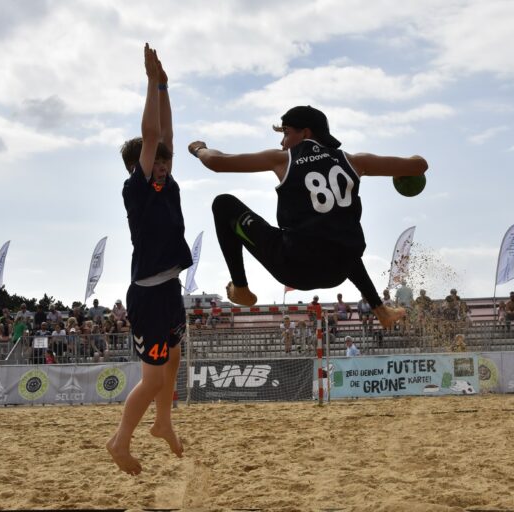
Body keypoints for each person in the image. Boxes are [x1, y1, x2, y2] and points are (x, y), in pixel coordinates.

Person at [188, 105, 418, 331]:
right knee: (337, 235)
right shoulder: (355, 161)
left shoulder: (283, 159)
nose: (282, 142)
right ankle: (380, 310)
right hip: (338, 271)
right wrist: (401, 170)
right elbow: (419, 165)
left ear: (305, 133)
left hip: (294, 267)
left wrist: (200, 149)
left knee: (223, 204)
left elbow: (216, 163)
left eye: (286, 133)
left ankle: (240, 287)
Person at [107, 44, 191, 476]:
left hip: (170, 288)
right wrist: (148, 84)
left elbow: (168, 138)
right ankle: (120, 442)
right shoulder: (136, 189)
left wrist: (164, 85)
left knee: (174, 360)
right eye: (156, 161)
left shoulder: (167, 185)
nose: (163, 164)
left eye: (164, 162)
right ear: (139, 166)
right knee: (154, 377)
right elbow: (154, 135)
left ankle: (162, 423)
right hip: (148, 296)